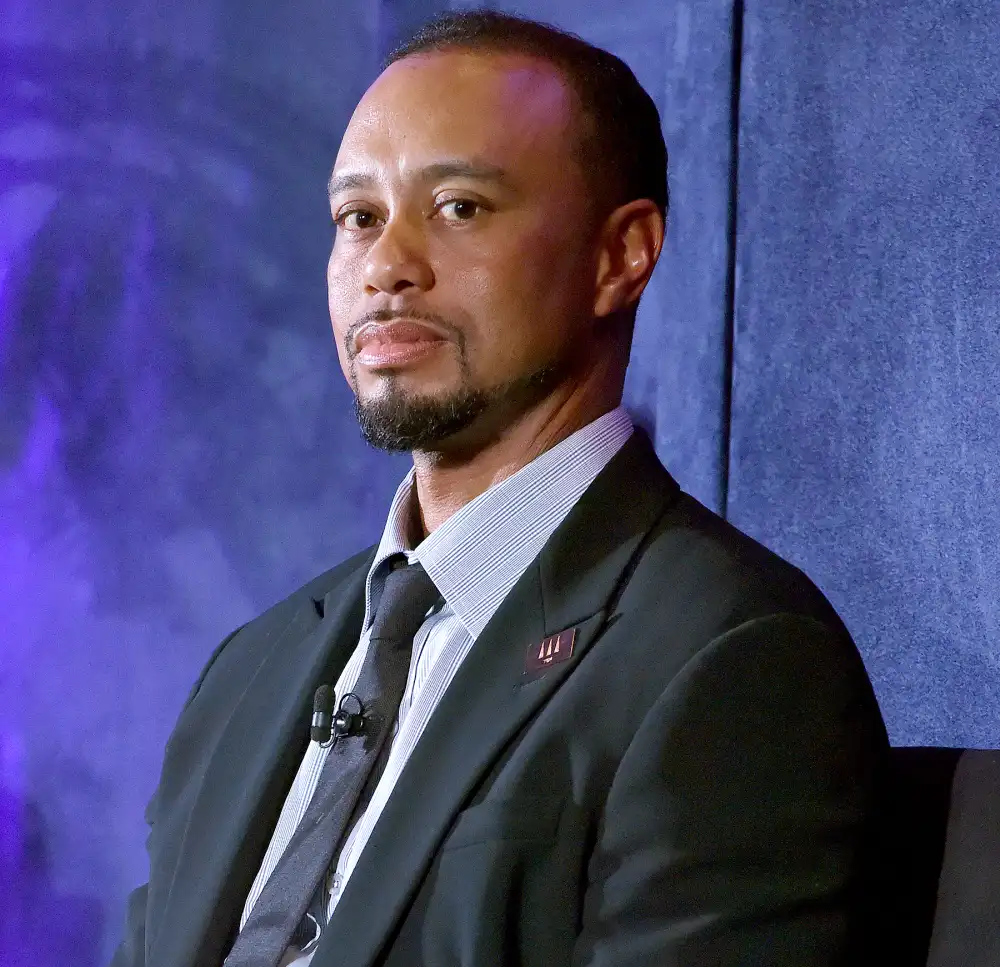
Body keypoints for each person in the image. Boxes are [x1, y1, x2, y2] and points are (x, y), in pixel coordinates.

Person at [111, 9, 889, 967]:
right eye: (358, 218)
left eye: (459, 208)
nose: (387, 266)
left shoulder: (731, 655)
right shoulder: (248, 673)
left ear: (621, 256)